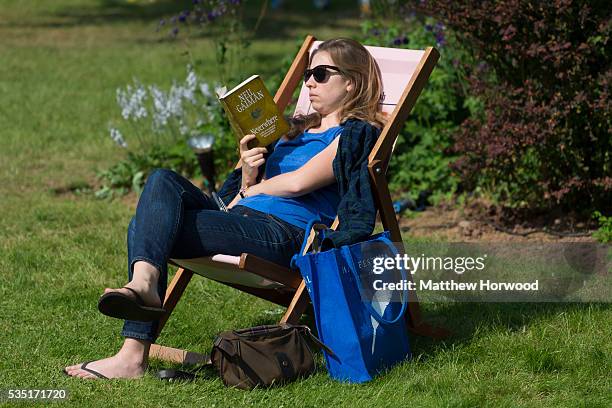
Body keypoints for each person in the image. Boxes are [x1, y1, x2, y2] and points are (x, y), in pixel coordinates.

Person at [64, 38, 386, 379]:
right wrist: (248, 173)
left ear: (351, 81)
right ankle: (143, 285)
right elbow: (240, 199)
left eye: (321, 74)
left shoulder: (356, 135)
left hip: (283, 235)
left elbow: (297, 183)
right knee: (162, 180)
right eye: (308, 73)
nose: (309, 82)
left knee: (146, 227)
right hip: (244, 219)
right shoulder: (290, 132)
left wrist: (254, 190)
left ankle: (132, 354)